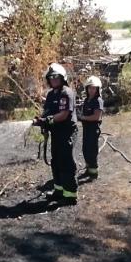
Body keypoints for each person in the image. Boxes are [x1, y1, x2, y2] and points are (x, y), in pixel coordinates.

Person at [33, 63, 78, 205]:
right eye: (51, 78)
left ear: (62, 78)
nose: (53, 80)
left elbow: (64, 115)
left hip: (67, 132)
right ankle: (59, 191)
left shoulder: (66, 93)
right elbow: (47, 112)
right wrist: (41, 121)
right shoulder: (51, 94)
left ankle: (70, 196)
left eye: (56, 77)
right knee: (56, 162)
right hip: (56, 133)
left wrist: (47, 120)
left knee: (66, 162)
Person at [78, 76, 103, 181]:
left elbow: (96, 117)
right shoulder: (87, 100)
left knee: (92, 150)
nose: (91, 90)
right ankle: (88, 168)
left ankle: (93, 173)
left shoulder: (98, 101)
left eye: (94, 88)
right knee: (85, 149)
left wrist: (83, 118)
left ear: (97, 89)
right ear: (87, 89)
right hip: (86, 129)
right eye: (90, 88)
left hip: (93, 129)